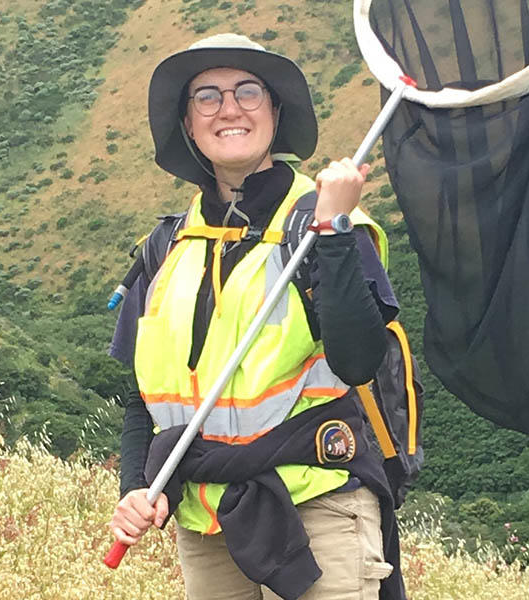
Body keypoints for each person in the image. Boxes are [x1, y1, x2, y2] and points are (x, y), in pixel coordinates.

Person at [105, 34, 406, 600]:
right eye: (207, 97)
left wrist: (334, 234)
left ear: (274, 111)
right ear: (188, 125)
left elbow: (358, 359)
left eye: (248, 91)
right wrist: (138, 486)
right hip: (208, 520)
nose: (230, 108)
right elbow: (143, 400)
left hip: (319, 505)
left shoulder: (324, 223)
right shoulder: (165, 246)